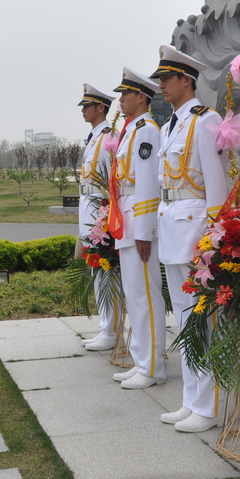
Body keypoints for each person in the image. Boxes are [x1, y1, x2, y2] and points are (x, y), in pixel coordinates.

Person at [152, 45, 229, 433]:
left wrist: (213, 241)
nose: (162, 85)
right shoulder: (170, 125)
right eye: (161, 79)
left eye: (167, 78)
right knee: (183, 319)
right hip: (172, 225)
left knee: (203, 320)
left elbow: (217, 187)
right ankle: (192, 399)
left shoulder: (205, 120)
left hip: (196, 230)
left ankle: (209, 405)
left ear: (187, 80)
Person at [108, 69, 166, 390]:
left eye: (124, 94)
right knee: (134, 293)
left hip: (138, 221)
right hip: (127, 219)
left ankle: (153, 365)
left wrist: (144, 230)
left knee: (145, 294)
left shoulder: (146, 130)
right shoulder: (132, 130)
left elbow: (146, 184)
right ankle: (142, 358)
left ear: (140, 97)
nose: (120, 100)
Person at [76, 84, 119, 352]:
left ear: (100, 108)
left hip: (98, 206)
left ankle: (111, 330)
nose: (83, 110)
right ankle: (106, 327)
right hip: (87, 204)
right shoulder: (95, 136)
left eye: (87, 106)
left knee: (105, 268)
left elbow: (110, 179)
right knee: (96, 267)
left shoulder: (107, 136)